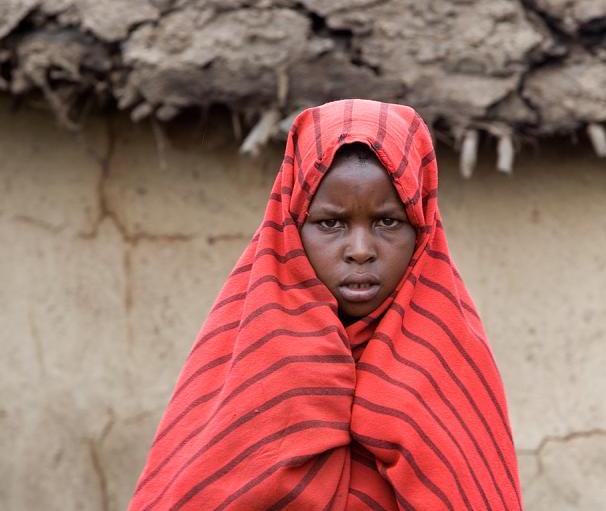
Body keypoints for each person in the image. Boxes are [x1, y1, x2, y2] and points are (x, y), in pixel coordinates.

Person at [128, 99, 523, 510]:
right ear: (293, 227)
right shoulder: (246, 362)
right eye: (331, 223)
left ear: (422, 228)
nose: (360, 251)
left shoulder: (453, 367)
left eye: (387, 221)